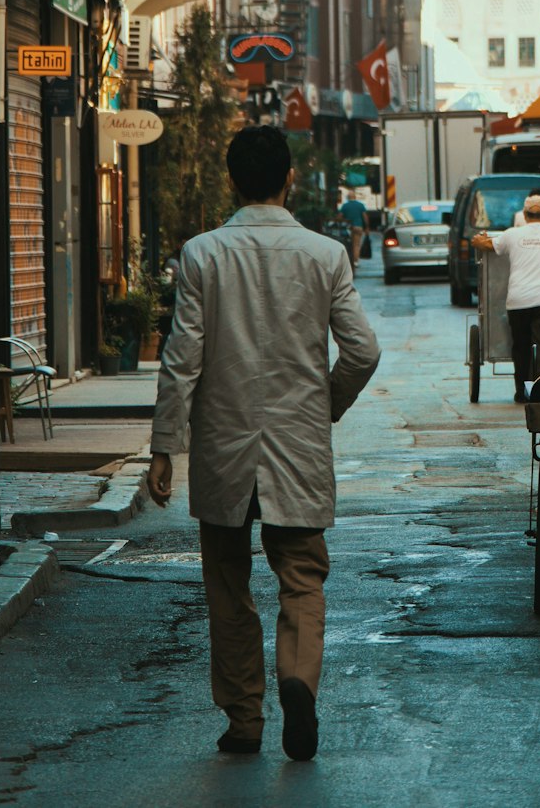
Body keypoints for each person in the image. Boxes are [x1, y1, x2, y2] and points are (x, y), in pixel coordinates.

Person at [146, 127, 380, 762]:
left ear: (231, 181)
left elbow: (181, 359)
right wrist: (322, 405)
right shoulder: (326, 255)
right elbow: (363, 351)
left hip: (223, 448)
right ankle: (298, 681)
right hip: (297, 446)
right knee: (302, 576)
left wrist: (165, 445)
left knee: (227, 582)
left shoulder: (201, 254)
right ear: (290, 180)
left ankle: (244, 720)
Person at [473, 192, 540, 403]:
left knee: (520, 346)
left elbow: (485, 244)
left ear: (524, 214)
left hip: (518, 301)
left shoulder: (512, 234)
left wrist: (478, 239)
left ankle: (521, 391)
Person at [337, 189, 369, 268]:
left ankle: (349, 261)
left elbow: (340, 217)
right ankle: (355, 262)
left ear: (348, 197)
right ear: (355, 197)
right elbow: (365, 217)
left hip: (349, 228)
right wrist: (367, 227)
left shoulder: (345, 206)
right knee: (356, 245)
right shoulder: (360, 205)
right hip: (358, 227)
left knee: (349, 244)